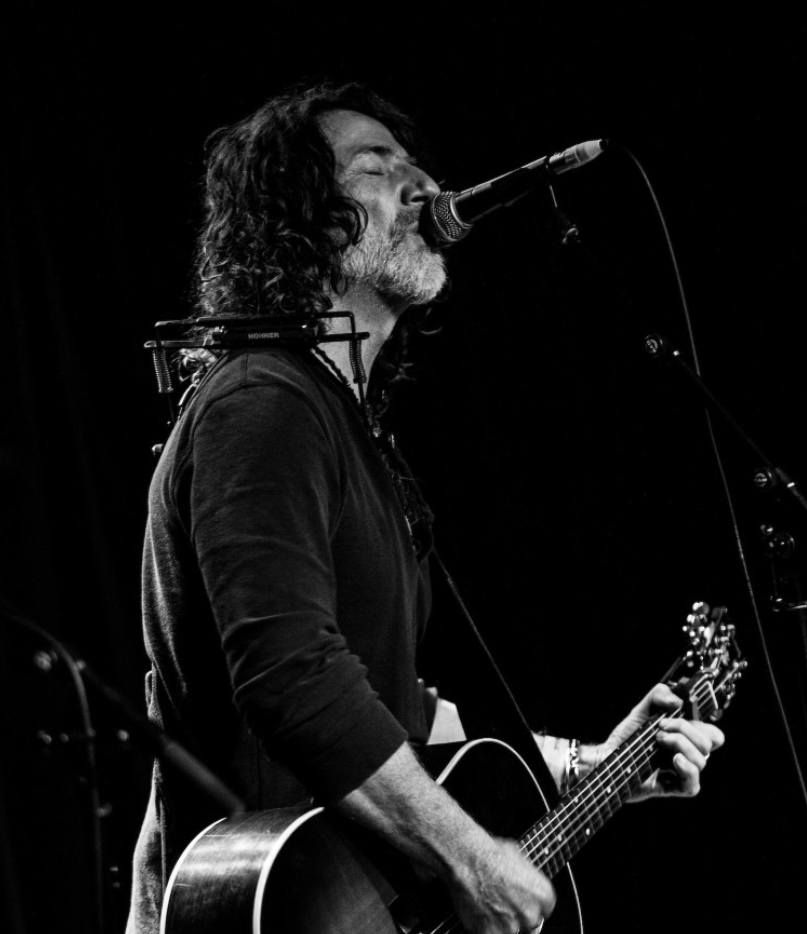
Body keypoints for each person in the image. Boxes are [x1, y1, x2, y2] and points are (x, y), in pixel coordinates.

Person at [126, 81, 724, 934]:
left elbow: (403, 723)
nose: (424, 186)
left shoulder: (339, 420)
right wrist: (470, 857)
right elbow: (290, 673)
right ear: (297, 216)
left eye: (415, 163)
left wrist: (595, 768)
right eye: (377, 166)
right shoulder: (261, 401)